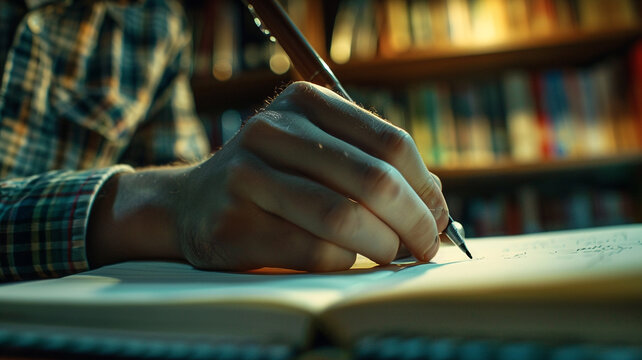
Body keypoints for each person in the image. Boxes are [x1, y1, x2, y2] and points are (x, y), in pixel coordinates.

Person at [0, 0, 449, 282]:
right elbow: (177, 199)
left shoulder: (155, 18)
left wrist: (229, 204)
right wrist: (172, 205)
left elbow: (187, 184)